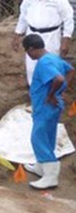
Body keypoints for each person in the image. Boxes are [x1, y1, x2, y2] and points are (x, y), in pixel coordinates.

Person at [22, 34, 74, 189]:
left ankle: (51, 176)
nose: (27, 55)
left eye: (27, 51)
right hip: (50, 106)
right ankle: (41, 166)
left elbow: (58, 79)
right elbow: (70, 71)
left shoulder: (44, 63)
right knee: (48, 136)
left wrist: (52, 94)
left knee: (38, 138)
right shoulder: (52, 58)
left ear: (31, 49)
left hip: (46, 105)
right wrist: (62, 91)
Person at [12, 0, 73, 85]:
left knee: (49, 66)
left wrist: (66, 41)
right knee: (31, 68)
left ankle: (51, 96)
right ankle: (35, 96)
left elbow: (68, 18)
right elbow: (23, 17)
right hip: (32, 35)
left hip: (50, 36)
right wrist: (17, 35)